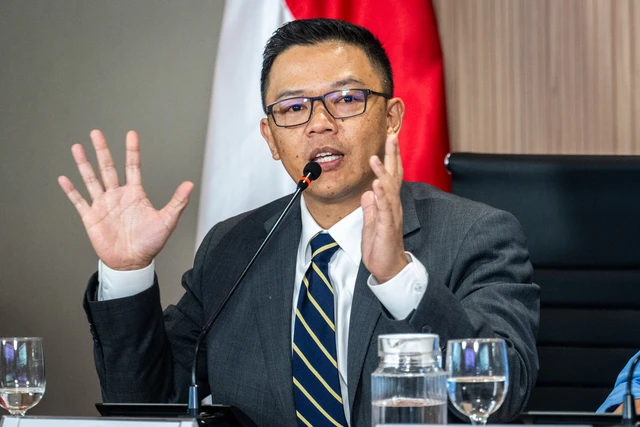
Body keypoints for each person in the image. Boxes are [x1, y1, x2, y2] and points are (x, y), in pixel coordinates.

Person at [58, 18, 539, 426]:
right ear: (270, 137)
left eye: (345, 99)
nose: (319, 123)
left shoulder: (475, 235)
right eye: (293, 108)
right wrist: (126, 272)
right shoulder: (233, 247)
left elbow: (500, 399)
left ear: (392, 117)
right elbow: (148, 407)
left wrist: (398, 276)